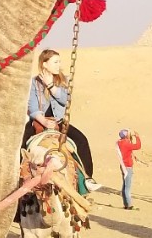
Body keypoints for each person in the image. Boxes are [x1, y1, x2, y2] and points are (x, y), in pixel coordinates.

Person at [22, 49, 100, 191]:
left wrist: (51, 85)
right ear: (44, 64)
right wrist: (44, 122)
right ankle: (16, 180)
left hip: (59, 122)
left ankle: (87, 178)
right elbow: (32, 106)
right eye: (55, 62)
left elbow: (65, 100)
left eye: (59, 61)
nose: (59, 65)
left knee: (81, 140)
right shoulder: (34, 82)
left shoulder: (64, 80)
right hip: (39, 122)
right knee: (20, 145)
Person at [115, 129, 141, 210]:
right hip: (127, 167)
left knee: (124, 185)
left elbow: (127, 150)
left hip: (123, 166)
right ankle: (129, 205)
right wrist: (137, 137)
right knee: (127, 187)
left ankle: (126, 204)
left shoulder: (119, 142)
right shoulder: (126, 143)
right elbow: (137, 146)